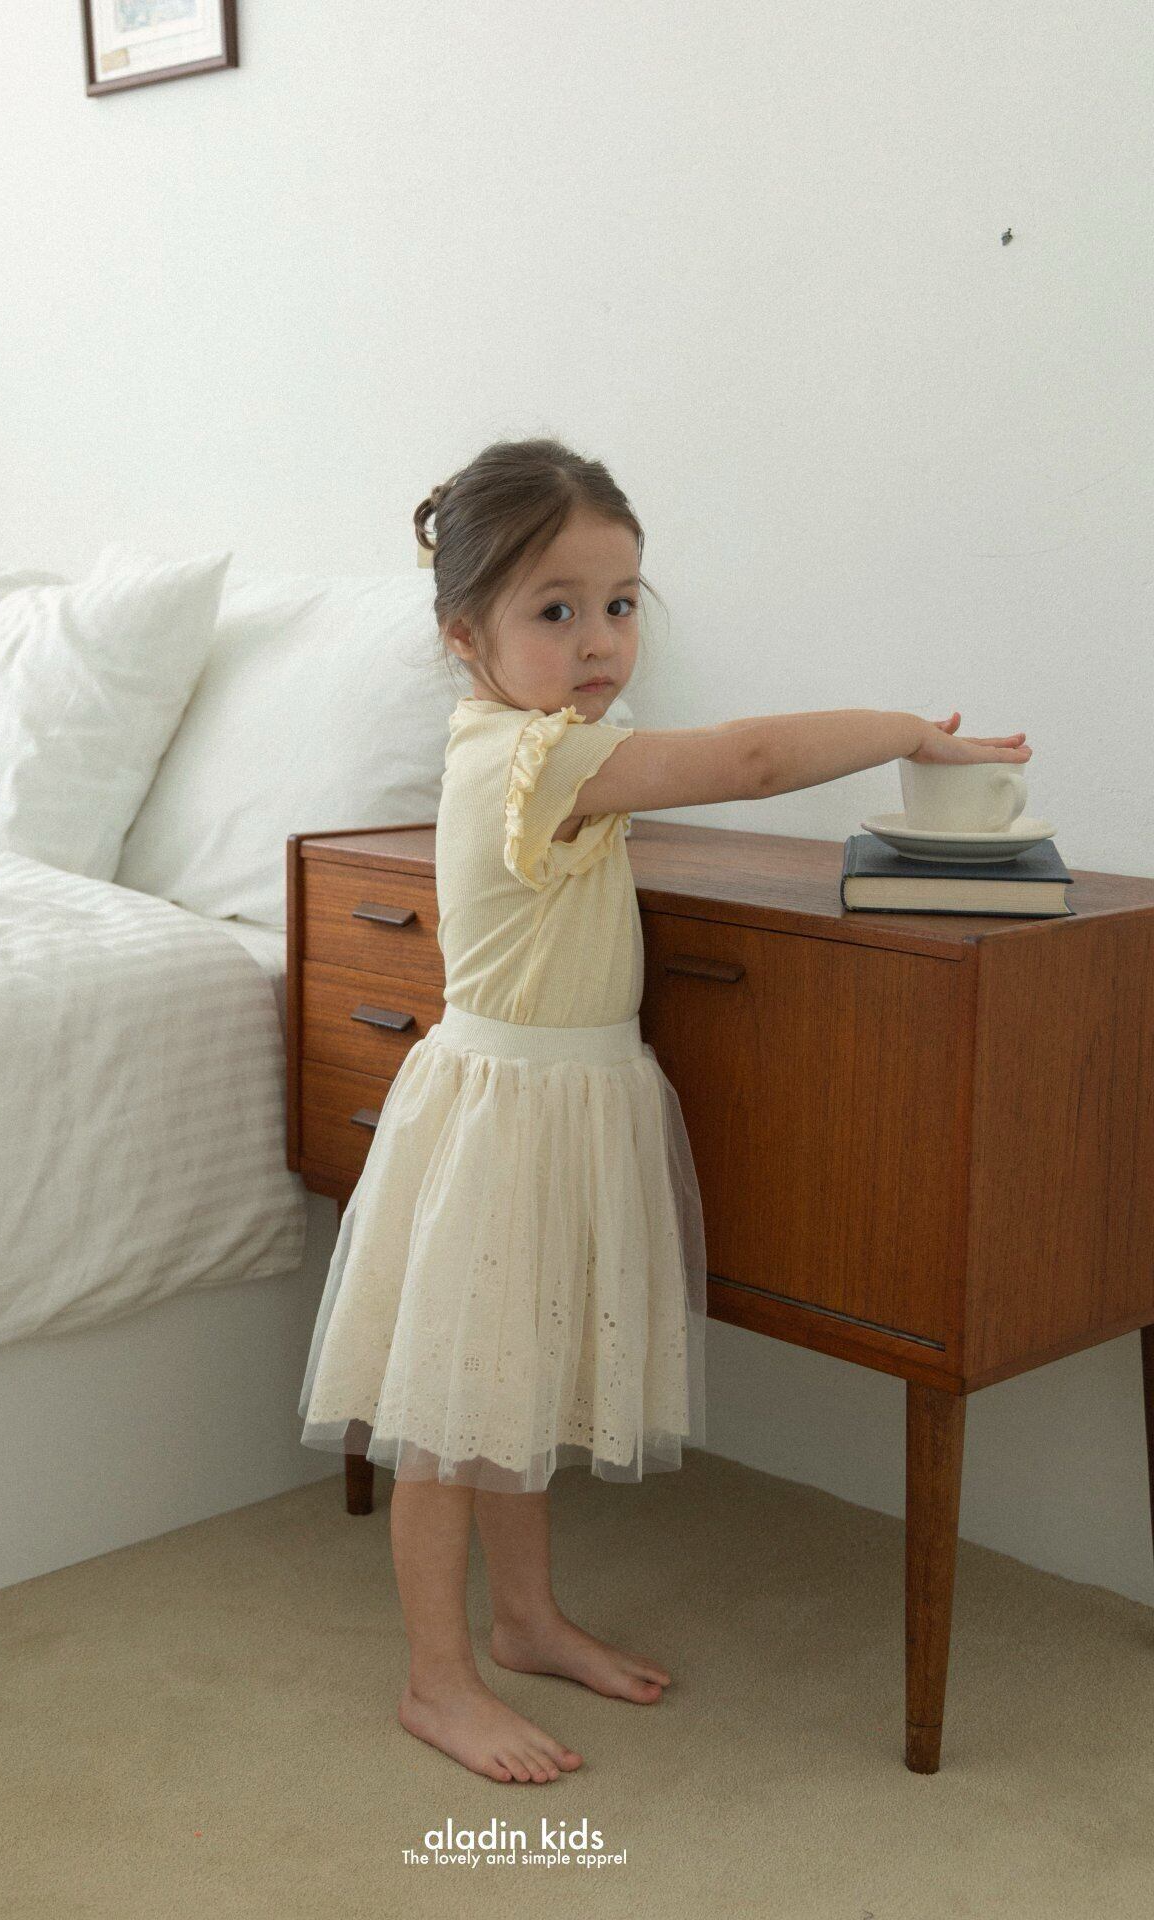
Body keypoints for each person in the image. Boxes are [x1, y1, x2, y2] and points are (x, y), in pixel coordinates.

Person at [296, 435, 1032, 1785]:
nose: (598, 640)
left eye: (620, 603)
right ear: (465, 637)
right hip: (508, 1119)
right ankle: (435, 1681)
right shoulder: (531, 761)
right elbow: (749, 760)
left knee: (514, 1387)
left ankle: (524, 1622)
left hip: (570, 1101)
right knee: (455, 1419)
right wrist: (908, 733)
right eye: (554, 609)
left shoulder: (558, 746)